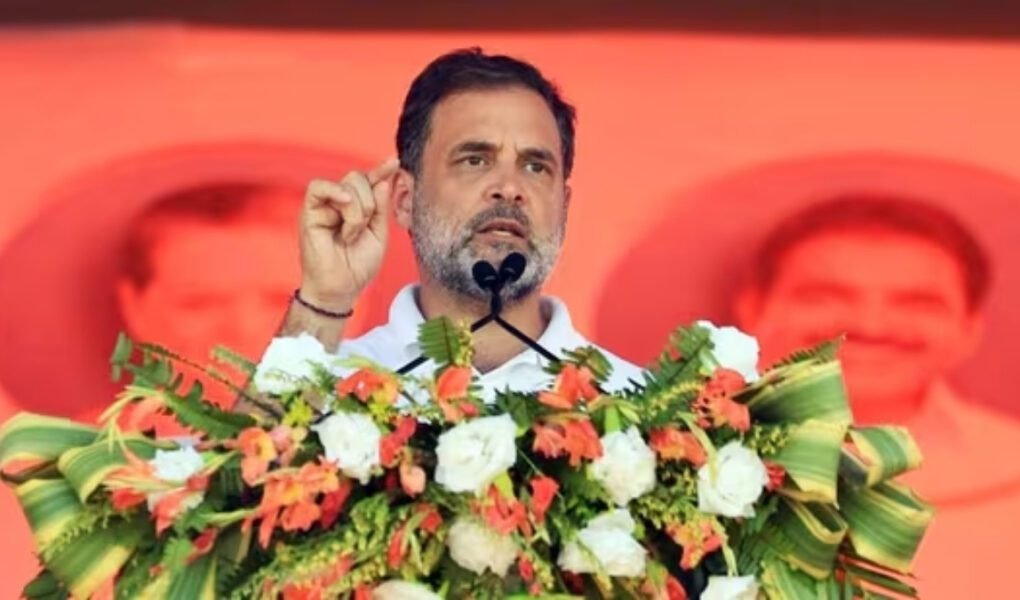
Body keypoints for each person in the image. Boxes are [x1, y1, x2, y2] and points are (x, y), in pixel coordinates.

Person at [260, 48, 641, 398]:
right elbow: (236, 468)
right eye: (475, 160)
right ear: (406, 200)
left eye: (534, 166)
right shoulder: (326, 386)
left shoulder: (644, 412)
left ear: (565, 208)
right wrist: (324, 300)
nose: (509, 188)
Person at [732, 194, 1020, 599]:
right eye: (825, 295)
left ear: (969, 329)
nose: (871, 325)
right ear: (754, 309)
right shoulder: (656, 451)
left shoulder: (1010, 461)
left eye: (917, 303)